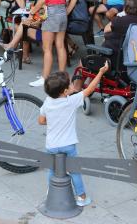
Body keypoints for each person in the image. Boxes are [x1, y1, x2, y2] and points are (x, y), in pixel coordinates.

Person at [38, 61, 109, 207]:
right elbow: (89, 89)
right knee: (75, 171)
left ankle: (51, 192)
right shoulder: (71, 101)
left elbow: (41, 121)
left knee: (52, 170)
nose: (73, 86)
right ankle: (81, 197)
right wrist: (101, 72)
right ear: (64, 92)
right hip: (68, 145)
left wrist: (53, 122)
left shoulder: (47, 102)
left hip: (51, 145)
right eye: (70, 85)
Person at [29, 0, 78, 87]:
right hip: (62, 13)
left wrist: (32, 11)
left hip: (50, 14)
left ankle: (44, 78)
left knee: (47, 48)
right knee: (60, 46)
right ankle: (63, 76)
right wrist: (67, 11)